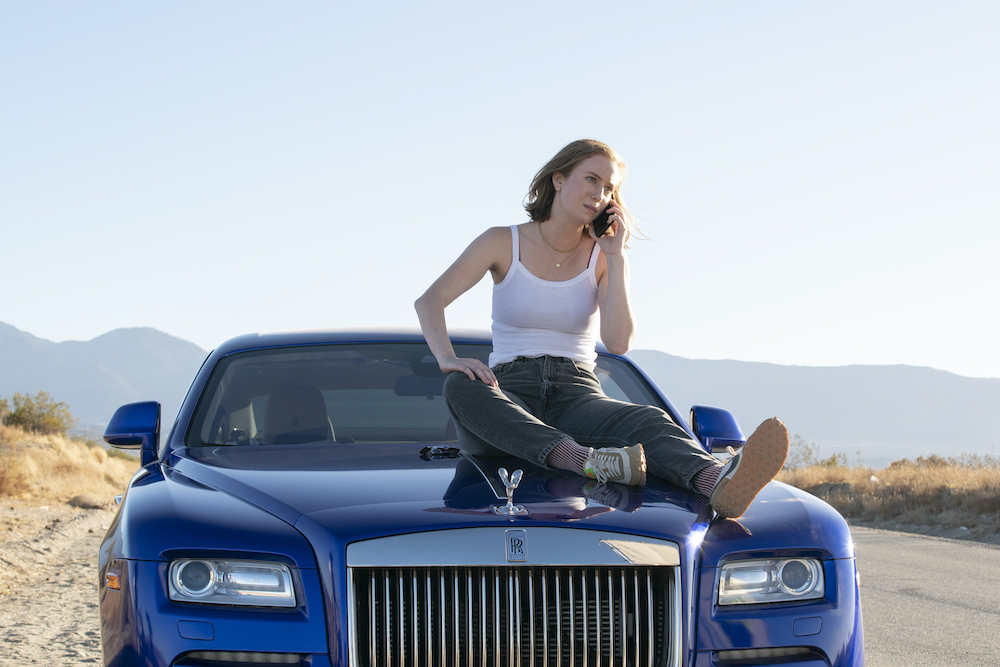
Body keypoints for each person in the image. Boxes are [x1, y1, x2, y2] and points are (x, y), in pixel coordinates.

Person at [414, 139, 788, 518]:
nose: (599, 194)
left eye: (609, 188)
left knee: (649, 419)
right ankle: (588, 461)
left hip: (578, 396)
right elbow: (429, 301)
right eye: (591, 179)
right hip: (510, 397)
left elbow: (619, 342)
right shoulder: (501, 241)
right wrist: (447, 357)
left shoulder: (602, 257)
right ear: (558, 180)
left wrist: (616, 255)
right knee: (461, 386)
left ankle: (717, 482)